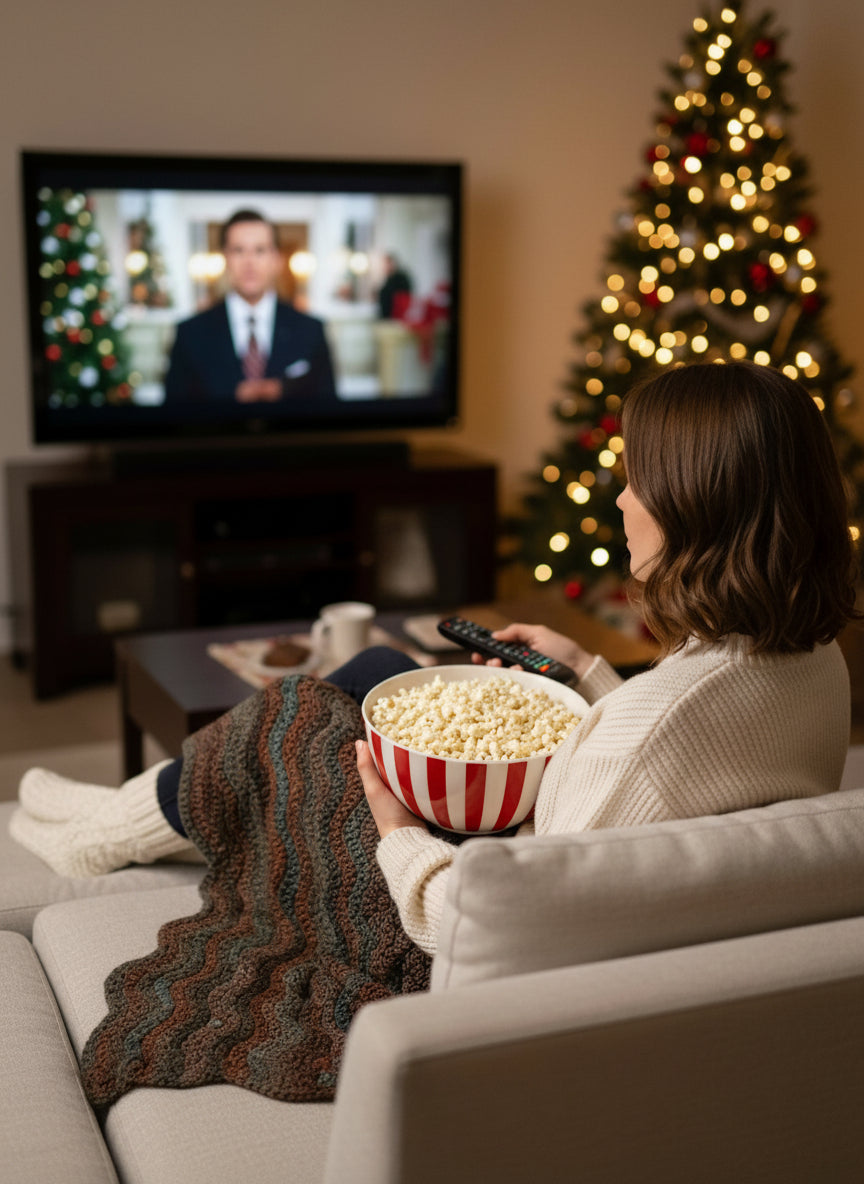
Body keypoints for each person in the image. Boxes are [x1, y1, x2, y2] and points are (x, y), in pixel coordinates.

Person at [10, 362, 859, 959]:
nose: (624, 497)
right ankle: (123, 818)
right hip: (592, 868)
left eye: (640, 479)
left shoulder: (648, 736)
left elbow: (472, 917)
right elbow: (673, 755)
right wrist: (589, 675)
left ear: (698, 507)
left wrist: (399, 831)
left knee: (297, 719)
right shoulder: (815, 664)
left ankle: (111, 832)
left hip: (441, 911)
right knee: (381, 664)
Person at [163, 209, 338, 405]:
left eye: (260, 250)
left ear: (276, 259)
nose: (249, 262)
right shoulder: (190, 333)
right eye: (239, 250)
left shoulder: (311, 330)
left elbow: (328, 409)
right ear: (226, 258)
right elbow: (174, 414)